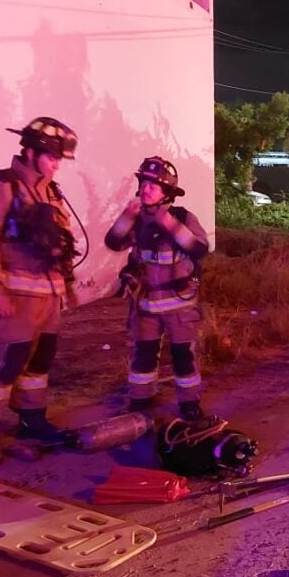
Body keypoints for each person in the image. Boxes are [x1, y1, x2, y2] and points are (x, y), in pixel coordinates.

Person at [0, 117, 82, 466]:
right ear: (29, 151)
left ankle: (31, 420)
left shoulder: (50, 192)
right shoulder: (0, 187)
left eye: (59, 158)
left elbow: (62, 243)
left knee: (39, 362)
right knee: (3, 364)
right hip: (12, 297)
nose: (56, 164)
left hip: (47, 298)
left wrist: (69, 286)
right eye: (51, 156)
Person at [105, 157, 211, 421]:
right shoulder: (137, 220)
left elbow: (199, 250)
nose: (146, 190)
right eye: (144, 184)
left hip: (179, 307)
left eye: (154, 186)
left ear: (167, 193)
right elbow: (114, 242)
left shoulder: (183, 218)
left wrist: (171, 226)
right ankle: (141, 401)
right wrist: (126, 216)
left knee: (183, 357)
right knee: (143, 357)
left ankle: (189, 405)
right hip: (145, 307)